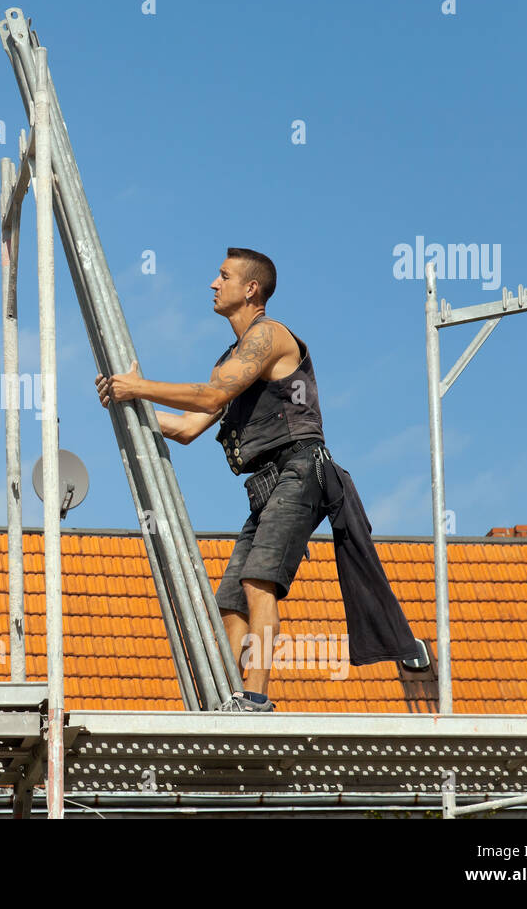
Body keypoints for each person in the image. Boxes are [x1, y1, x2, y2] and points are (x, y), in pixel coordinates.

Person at [95, 247, 330, 712]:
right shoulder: (234, 355)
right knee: (231, 602)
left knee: (259, 583)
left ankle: (255, 699)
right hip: (266, 488)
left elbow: (210, 397)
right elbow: (186, 427)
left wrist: (138, 387)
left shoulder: (270, 336)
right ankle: (225, 700)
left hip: (299, 471)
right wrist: (126, 404)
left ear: (251, 289)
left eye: (223, 276)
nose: (213, 283)